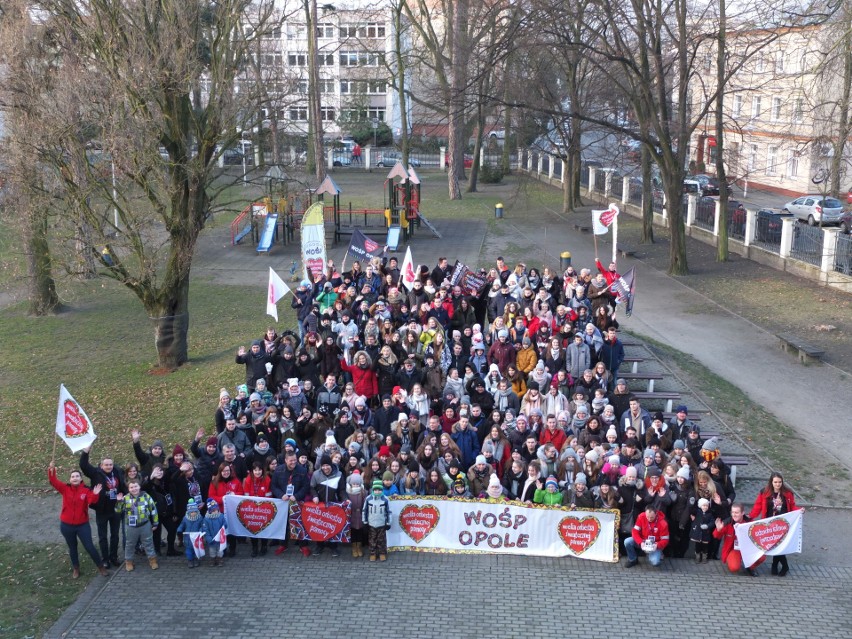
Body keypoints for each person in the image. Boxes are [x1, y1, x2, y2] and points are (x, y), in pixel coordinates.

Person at [48, 462, 109, 579]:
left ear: (81, 479)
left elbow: (91, 501)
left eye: (77, 476)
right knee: (72, 547)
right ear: (70, 479)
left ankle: (101, 567)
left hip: (82, 525)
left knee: (89, 546)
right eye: (73, 476)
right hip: (66, 526)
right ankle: (76, 568)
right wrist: (52, 470)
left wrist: (95, 494)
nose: (75, 478)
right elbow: (53, 481)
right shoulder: (65, 489)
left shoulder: (86, 490)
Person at [79, 446, 125, 569]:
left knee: (115, 535)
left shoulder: (118, 471)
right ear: (101, 465)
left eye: (110, 464)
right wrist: (85, 451)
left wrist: (124, 496)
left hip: (116, 509)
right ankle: (105, 559)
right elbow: (83, 465)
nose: (109, 467)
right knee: (103, 536)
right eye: (106, 465)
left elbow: (125, 484)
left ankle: (114, 557)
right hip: (102, 510)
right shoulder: (95, 473)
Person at [749, 472, 797, 577]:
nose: (778, 484)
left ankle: (781, 565)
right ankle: (778, 565)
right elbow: (758, 506)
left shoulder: (788, 493)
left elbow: (793, 506)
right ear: (771, 482)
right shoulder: (764, 492)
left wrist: (799, 511)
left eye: (780, 482)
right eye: (775, 482)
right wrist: (750, 516)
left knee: (778, 545)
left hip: (783, 524)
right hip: (769, 524)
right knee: (774, 545)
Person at [115, 478, 160, 572]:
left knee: (148, 542)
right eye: (131, 487)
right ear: (128, 489)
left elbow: (153, 509)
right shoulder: (125, 498)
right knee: (130, 544)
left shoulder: (146, 496)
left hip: (145, 524)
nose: (134, 489)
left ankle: (152, 560)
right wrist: (118, 501)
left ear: (139, 487)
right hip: (131, 526)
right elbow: (118, 511)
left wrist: (155, 522)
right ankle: (129, 561)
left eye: (135, 486)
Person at [713, 502, 763, 576]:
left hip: (747, 548)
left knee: (762, 556)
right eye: (732, 512)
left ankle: (750, 567)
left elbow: (757, 536)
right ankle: (732, 559)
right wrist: (719, 530)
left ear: (742, 513)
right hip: (734, 549)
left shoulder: (749, 523)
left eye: (736, 512)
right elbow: (716, 536)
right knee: (734, 568)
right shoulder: (727, 522)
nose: (734, 515)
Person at [363, 479, 392, 562]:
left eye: (379, 490)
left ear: (382, 490)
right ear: (373, 490)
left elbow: (389, 511)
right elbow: (364, 511)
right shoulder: (368, 499)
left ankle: (382, 553)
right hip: (371, 523)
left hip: (382, 524)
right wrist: (365, 522)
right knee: (372, 539)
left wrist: (388, 522)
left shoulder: (385, 499)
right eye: (375, 490)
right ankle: (373, 553)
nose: (377, 492)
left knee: (381, 540)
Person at [176, 498, 205, 568]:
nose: (193, 513)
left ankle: (196, 559)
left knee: (196, 550)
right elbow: (182, 525)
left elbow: (203, 525)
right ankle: (190, 560)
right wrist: (179, 530)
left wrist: (201, 531)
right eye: (191, 512)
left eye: (195, 512)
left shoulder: (200, 518)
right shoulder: (185, 518)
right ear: (189, 512)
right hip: (188, 539)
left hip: (197, 538)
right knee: (189, 551)